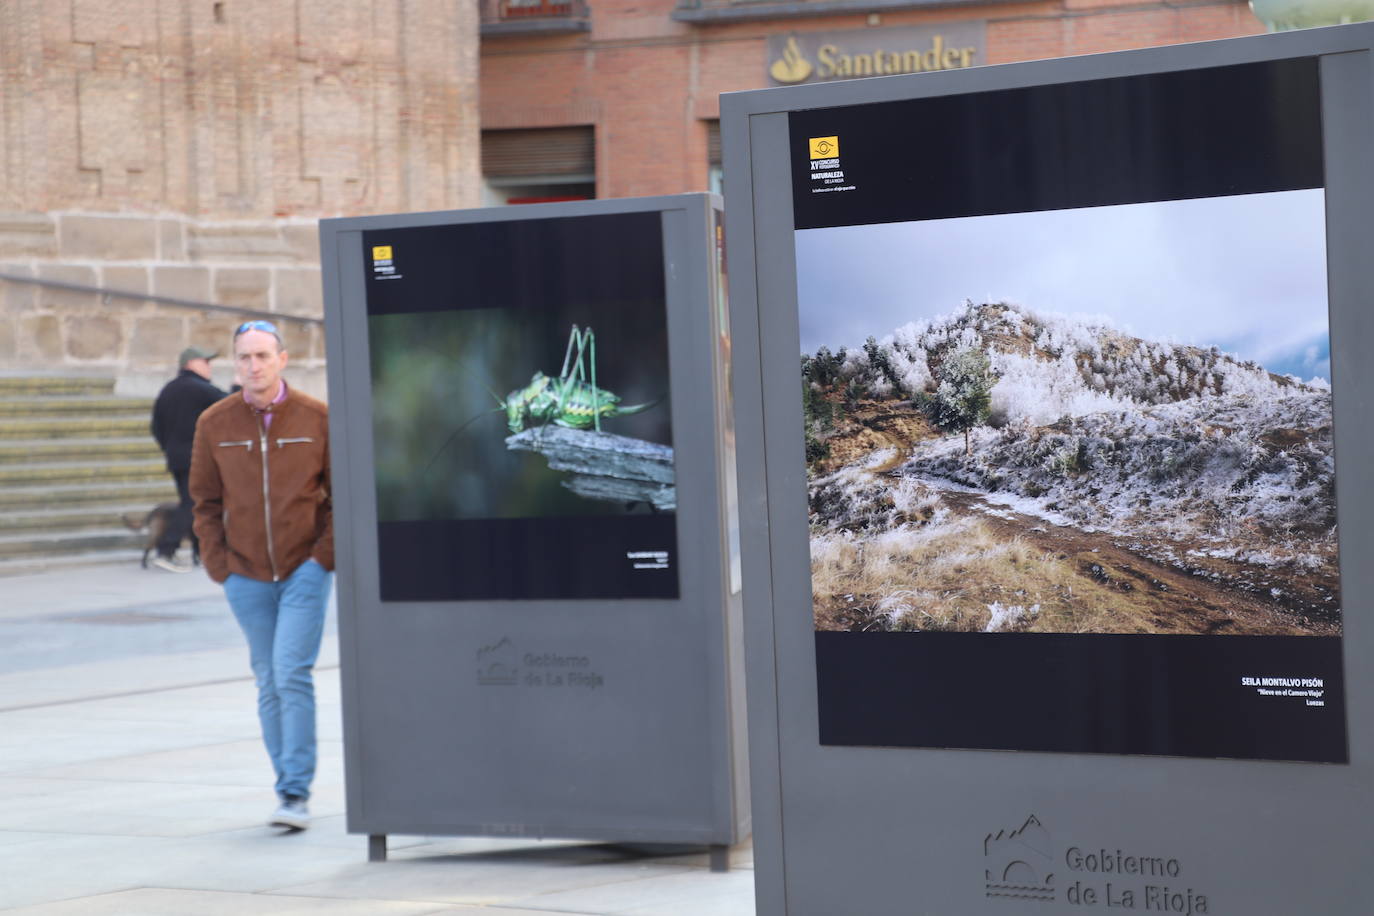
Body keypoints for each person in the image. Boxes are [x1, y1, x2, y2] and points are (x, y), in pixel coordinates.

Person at [190, 319, 334, 831]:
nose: (253, 366)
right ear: (235, 363)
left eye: (262, 356)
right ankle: (286, 788)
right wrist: (219, 566)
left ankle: (294, 793)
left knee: (291, 672)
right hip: (245, 575)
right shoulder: (215, 422)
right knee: (269, 678)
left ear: (282, 360)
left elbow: (342, 496)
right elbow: (204, 501)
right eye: (244, 357)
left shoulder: (316, 417)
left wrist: (323, 558)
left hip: (304, 570)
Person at [149, 346, 227, 572]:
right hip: (196, 457)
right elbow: (230, 403)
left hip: (177, 457)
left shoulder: (169, 389)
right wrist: (238, 386)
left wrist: (170, 448)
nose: (209, 366)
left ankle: (200, 552)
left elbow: (156, 427)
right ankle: (166, 550)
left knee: (193, 501)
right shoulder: (200, 388)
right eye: (206, 361)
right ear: (191, 363)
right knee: (193, 503)